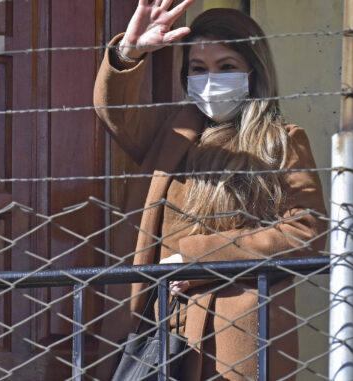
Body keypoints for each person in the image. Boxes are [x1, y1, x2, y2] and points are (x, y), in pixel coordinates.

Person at [93, 1, 327, 379]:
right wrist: (128, 53)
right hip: (158, 327)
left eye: (226, 67)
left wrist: (199, 257)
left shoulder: (280, 141)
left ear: (253, 70)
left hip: (233, 332)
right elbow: (116, 113)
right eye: (198, 69)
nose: (211, 79)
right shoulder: (170, 133)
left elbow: (308, 231)